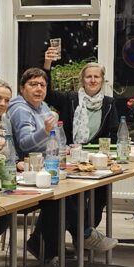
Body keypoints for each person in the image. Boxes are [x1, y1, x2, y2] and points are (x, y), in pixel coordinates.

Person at [51, 62, 122, 253]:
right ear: (82, 80)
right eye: (88, 76)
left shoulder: (109, 103)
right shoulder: (70, 99)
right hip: (70, 159)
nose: (92, 80)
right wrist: (48, 65)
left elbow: (114, 132)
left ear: (102, 80)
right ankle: (83, 235)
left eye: (96, 77)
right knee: (73, 197)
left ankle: (84, 233)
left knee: (101, 194)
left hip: (97, 161)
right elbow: (48, 94)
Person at [5, 65, 69, 258]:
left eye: (42, 85)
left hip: (48, 167)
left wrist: (63, 148)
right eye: (33, 84)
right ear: (22, 88)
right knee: (63, 199)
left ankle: (43, 243)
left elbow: (56, 138)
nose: (39, 89)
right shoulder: (20, 109)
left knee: (76, 194)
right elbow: (25, 144)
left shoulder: (43, 106)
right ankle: (73, 238)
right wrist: (45, 131)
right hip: (28, 173)